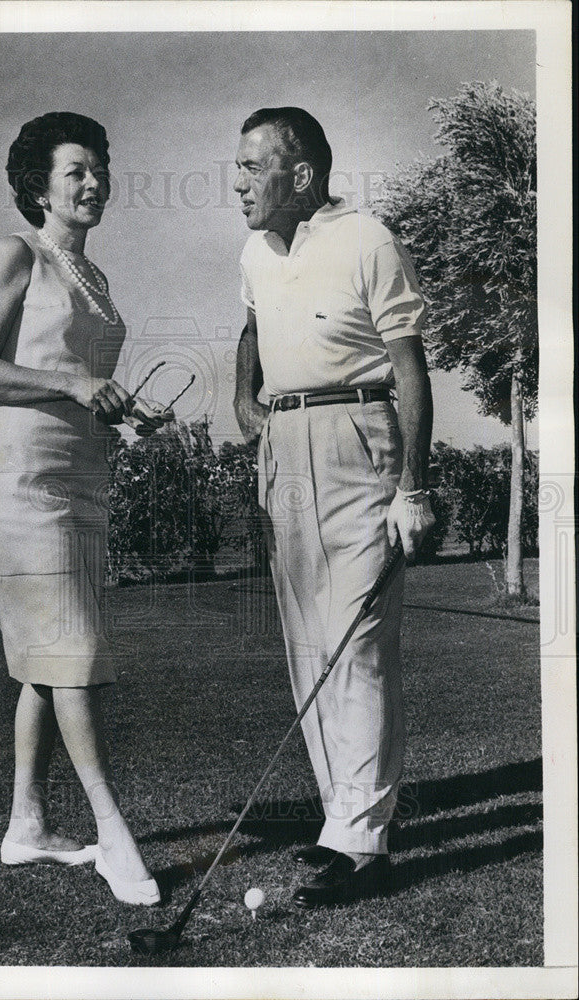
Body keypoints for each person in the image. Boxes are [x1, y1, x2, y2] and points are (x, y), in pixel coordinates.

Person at [0, 112, 171, 906]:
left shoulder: (98, 278)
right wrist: (76, 386)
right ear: (37, 185)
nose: (94, 183)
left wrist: (120, 408)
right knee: (72, 657)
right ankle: (115, 835)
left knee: (48, 663)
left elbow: (78, 383)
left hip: (82, 480)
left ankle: (27, 826)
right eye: (77, 170)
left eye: (100, 169)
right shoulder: (16, 254)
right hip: (23, 485)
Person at [232, 107, 435, 906]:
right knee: (310, 644)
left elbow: (410, 370)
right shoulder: (253, 250)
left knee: (358, 644)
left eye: (253, 166)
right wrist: (244, 403)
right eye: (238, 165)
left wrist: (413, 488)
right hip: (283, 445)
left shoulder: (368, 239)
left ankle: (366, 841)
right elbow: (249, 330)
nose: (238, 181)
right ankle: (339, 824)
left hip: (360, 435)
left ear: (303, 175)